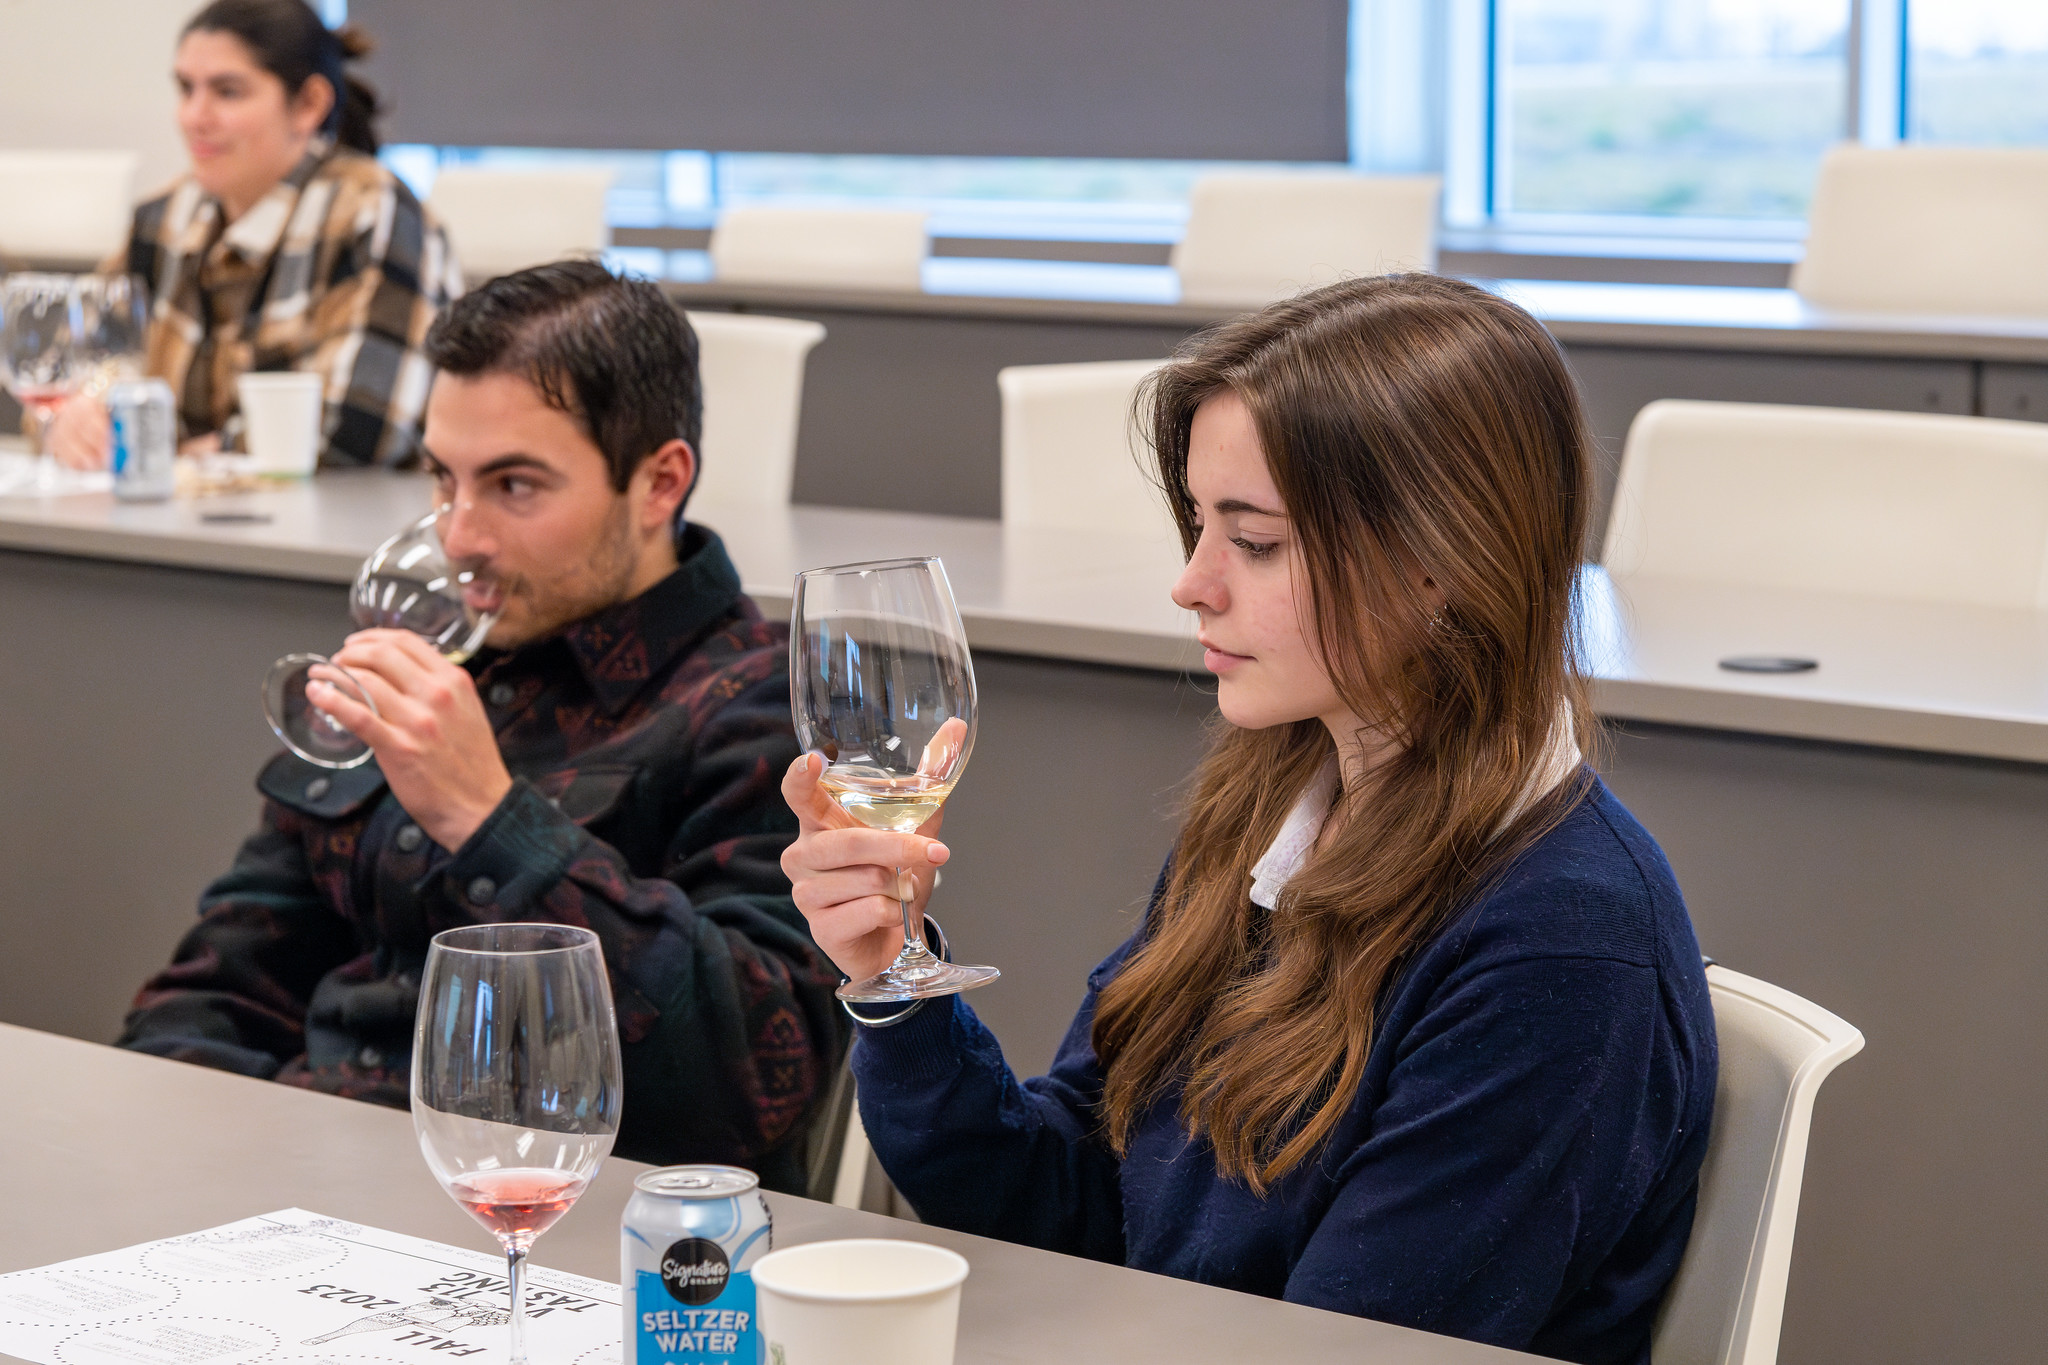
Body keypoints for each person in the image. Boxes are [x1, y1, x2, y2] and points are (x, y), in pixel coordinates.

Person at [780, 274, 1717, 1364]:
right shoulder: (1270, 814)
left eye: (1255, 543)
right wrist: (893, 980)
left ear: (1442, 564)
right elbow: (1066, 1214)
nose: (1189, 586)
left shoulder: (1562, 943)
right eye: (1197, 528)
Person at [120, 262, 848, 1192]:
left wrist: (491, 820)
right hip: (316, 1193)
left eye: (514, 485)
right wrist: (179, 1154)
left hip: (564, 1230)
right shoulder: (445, 653)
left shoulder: (762, 707)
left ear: (660, 481)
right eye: (441, 477)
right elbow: (223, 984)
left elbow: (750, 1084)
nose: (459, 535)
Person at [49, 0, 459, 471]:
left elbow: (363, 429)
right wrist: (71, 421)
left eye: (227, 92)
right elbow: (57, 374)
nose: (194, 116)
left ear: (309, 104)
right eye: (186, 89)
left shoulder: (373, 212)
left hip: (323, 534)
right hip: (169, 528)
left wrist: (167, 453)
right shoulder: (160, 219)